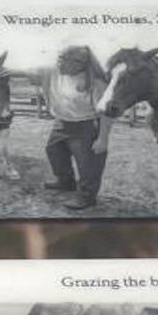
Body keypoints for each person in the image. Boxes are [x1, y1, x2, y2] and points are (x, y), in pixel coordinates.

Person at [33, 44, 111, 211]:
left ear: (80, 64)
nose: (59, 63)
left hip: (86, 126)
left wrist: (102, 139)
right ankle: (65, 182)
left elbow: (106, 112)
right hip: (62, 122)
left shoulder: (95, 82)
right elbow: (29, 73)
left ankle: (87, 197)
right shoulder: (55, 73)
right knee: (54, 151)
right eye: (59, 58)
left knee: (88, 164)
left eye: (64, 60)